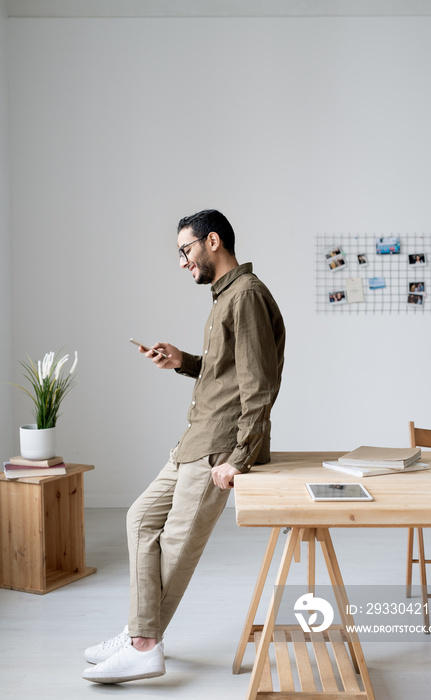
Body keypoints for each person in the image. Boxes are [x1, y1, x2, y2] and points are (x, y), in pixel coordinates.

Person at [82, 209, 286, 684]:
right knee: (139, 519)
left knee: (176, 545)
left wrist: (240, 458)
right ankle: (139, 631)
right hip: (194, 441)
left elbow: (259, 387)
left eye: (186, 250)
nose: (182, 262)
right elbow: (227, 372)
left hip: (219, 447)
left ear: (212, 241)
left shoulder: (247, 296)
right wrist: (184, 362)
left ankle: (143, 645)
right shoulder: (226, 297)